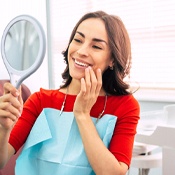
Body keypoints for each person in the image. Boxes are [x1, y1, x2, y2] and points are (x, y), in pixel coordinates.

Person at [0, 11, 140, 175]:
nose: (81, 51)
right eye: (78, 40)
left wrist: (82, 114)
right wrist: (3, 129)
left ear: (112, 60)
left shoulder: (126, 107)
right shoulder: (40, 100)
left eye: (96, 46)